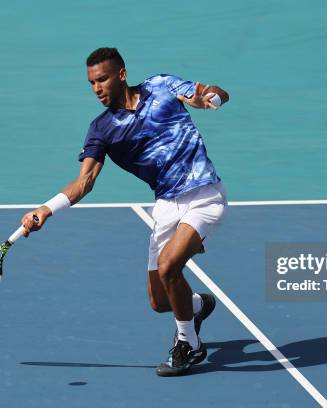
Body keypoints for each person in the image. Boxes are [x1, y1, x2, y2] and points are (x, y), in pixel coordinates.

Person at [19, 47, 229, 377]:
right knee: (160, 302)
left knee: (168, 265)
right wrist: (47, 208)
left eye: (101, 79)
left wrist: (212, 96)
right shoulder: (101, 129)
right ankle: (198, 306)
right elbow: (85, 181)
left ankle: (189, 345)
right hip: (165, 205)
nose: (96, 88)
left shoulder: (162, 86)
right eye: (90, 83)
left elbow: (205, 95)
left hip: (204, 195)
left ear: (121, 75)